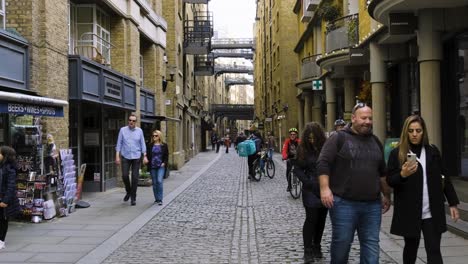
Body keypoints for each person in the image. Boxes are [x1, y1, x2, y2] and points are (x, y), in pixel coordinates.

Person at [317, 103, 391, 263]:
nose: (368, 121)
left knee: (371, 245)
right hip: (344, 203)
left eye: (370, 118)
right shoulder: (338, 138)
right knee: (342, 244)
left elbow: (382, 172)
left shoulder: (375, 141)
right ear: (354, 118)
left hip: (372, 205)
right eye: (364, 118)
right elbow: (323, 163)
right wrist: (324, 189)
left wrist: (386, 194)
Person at [387, 115, 460, 264]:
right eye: (411, 130)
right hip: (410, 211)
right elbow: (390, 181)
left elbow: (445, 177)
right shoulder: (397, 154)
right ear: (406, 132)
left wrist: (453, 203)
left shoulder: (433, 152)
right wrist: (402, 174)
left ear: (423, 132)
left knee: (434, 250)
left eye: (418, 130)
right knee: (411, 249)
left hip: (431, 211)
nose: (414, 134)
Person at [293, 122, 328, 263]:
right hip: (310, 189)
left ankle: (317, 245)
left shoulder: (326, 148)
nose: (312, 140)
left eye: (315, 138)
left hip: (325, 187)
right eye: (310, 138)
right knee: (311, 219)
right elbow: (297, 169)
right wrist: (307, 182)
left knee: (321, 220)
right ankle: (308, 250)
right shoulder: (303, 149)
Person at [115, 114, 147, 206]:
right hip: (125, 156)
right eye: (130, 120)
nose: (131, 122)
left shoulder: (139, 131)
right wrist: (117, 156)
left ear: (136, 122)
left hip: (136, 156)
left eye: (133, 121)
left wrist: (144, 156)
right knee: (124, 175)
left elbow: (143, 144)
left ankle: (133, 197)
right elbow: (119, 144)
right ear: (128, 121)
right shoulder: (122, 130)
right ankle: (128, 191)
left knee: (135, 177)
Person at [0, 146, 19, 250]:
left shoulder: (10, 169)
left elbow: (11, 186)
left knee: (3, 220)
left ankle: (1, 241)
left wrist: (5, 201)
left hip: (3, 199)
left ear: (5, 156)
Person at [144, 130, 169, 206]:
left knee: (159, 181)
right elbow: (147, 154)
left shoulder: (164, 145)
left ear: (159, 136)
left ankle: (160, 199)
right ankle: (156, 199)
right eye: (153, 136)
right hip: (152, 166)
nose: (154, 137)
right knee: (154, 183)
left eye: (156, 135)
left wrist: (164, 163)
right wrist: (145, 158)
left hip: (160, 166)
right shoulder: (150, 145)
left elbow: (166, 155)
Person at [282, 127, 301, 192]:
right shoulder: (287, 141)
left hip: (297, 157)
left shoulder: (299, 141)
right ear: (289, 135)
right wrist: (284, 156)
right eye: (291, 134)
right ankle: (289, 185)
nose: (292, 135)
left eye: (294, 134)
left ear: (296, 135)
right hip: (290, 157)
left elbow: (302, 150)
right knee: (288, 171)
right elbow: (284, 150)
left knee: (300, 170)